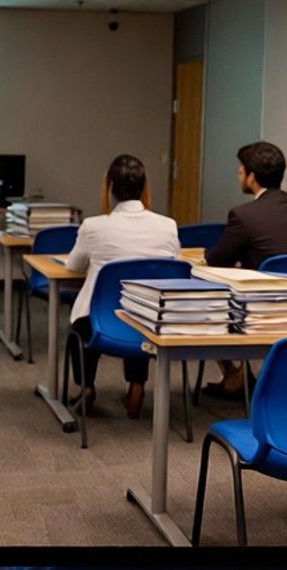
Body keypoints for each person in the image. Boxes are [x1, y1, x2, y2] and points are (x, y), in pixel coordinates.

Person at [64, 154, 181, 419]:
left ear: (110, 187)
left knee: (81, 326)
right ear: (144, 187)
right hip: (150, 319)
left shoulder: (93, 226)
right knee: (137, 312)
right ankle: (137, 385)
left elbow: (73, 266)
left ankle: (87, 387)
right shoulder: (168, 226)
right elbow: (176, 263)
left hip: (100, 321)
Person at [204, 140, 287, 399]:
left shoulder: (244, 214)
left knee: (210, 304)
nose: (238, 173)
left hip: (262, 312)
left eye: (240, 169)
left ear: (252, 177)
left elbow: (217, 261)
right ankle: (243, 378)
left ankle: (235, 375)